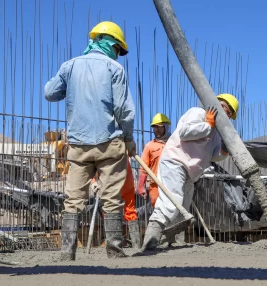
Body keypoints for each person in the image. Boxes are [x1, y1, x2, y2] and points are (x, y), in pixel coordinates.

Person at [45, 21, 136, 260]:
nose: (118, 54)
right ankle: (114, 250)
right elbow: (124, 111)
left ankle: (67, 253)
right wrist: (128, 138)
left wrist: (70, 84)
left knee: (73, 199)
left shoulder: (70, 66)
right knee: (111, 198)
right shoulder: (114, 69)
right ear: (112, 44)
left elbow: (50, 93)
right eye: (118, 49)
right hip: (109, 144)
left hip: (79, 146)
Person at [141, 94, 239, 251]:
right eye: (226, 110)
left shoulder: (216, 133)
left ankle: (168, 241)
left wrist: (223, 151)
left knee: (183, 207)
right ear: (217, 105)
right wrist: (207, 125)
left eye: (229, 114)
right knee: (171, 202)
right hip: (175, 162)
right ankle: (150, 242)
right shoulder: (197, 113)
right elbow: (185, 132)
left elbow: (213, 155)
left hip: (191, 172)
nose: (226, 116)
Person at [90, 157, 140, 249]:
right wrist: (93, 181)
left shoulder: (104, 146)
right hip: (124, 181)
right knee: (129, 211)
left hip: (114, 183)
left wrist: (93, 181)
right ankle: (136, 244)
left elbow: (93, 161)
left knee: (110, 210)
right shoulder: (123, 146)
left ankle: (114, 244)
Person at [137, 113, 171, 208]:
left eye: (159, 127)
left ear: (166, 127)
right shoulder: (150, 146)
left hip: (172, 183)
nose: (156, 130)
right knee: (158, 212)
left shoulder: (175, 143)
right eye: (154, 127)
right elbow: (143, 168)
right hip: (155, 185)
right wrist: (140, 186)